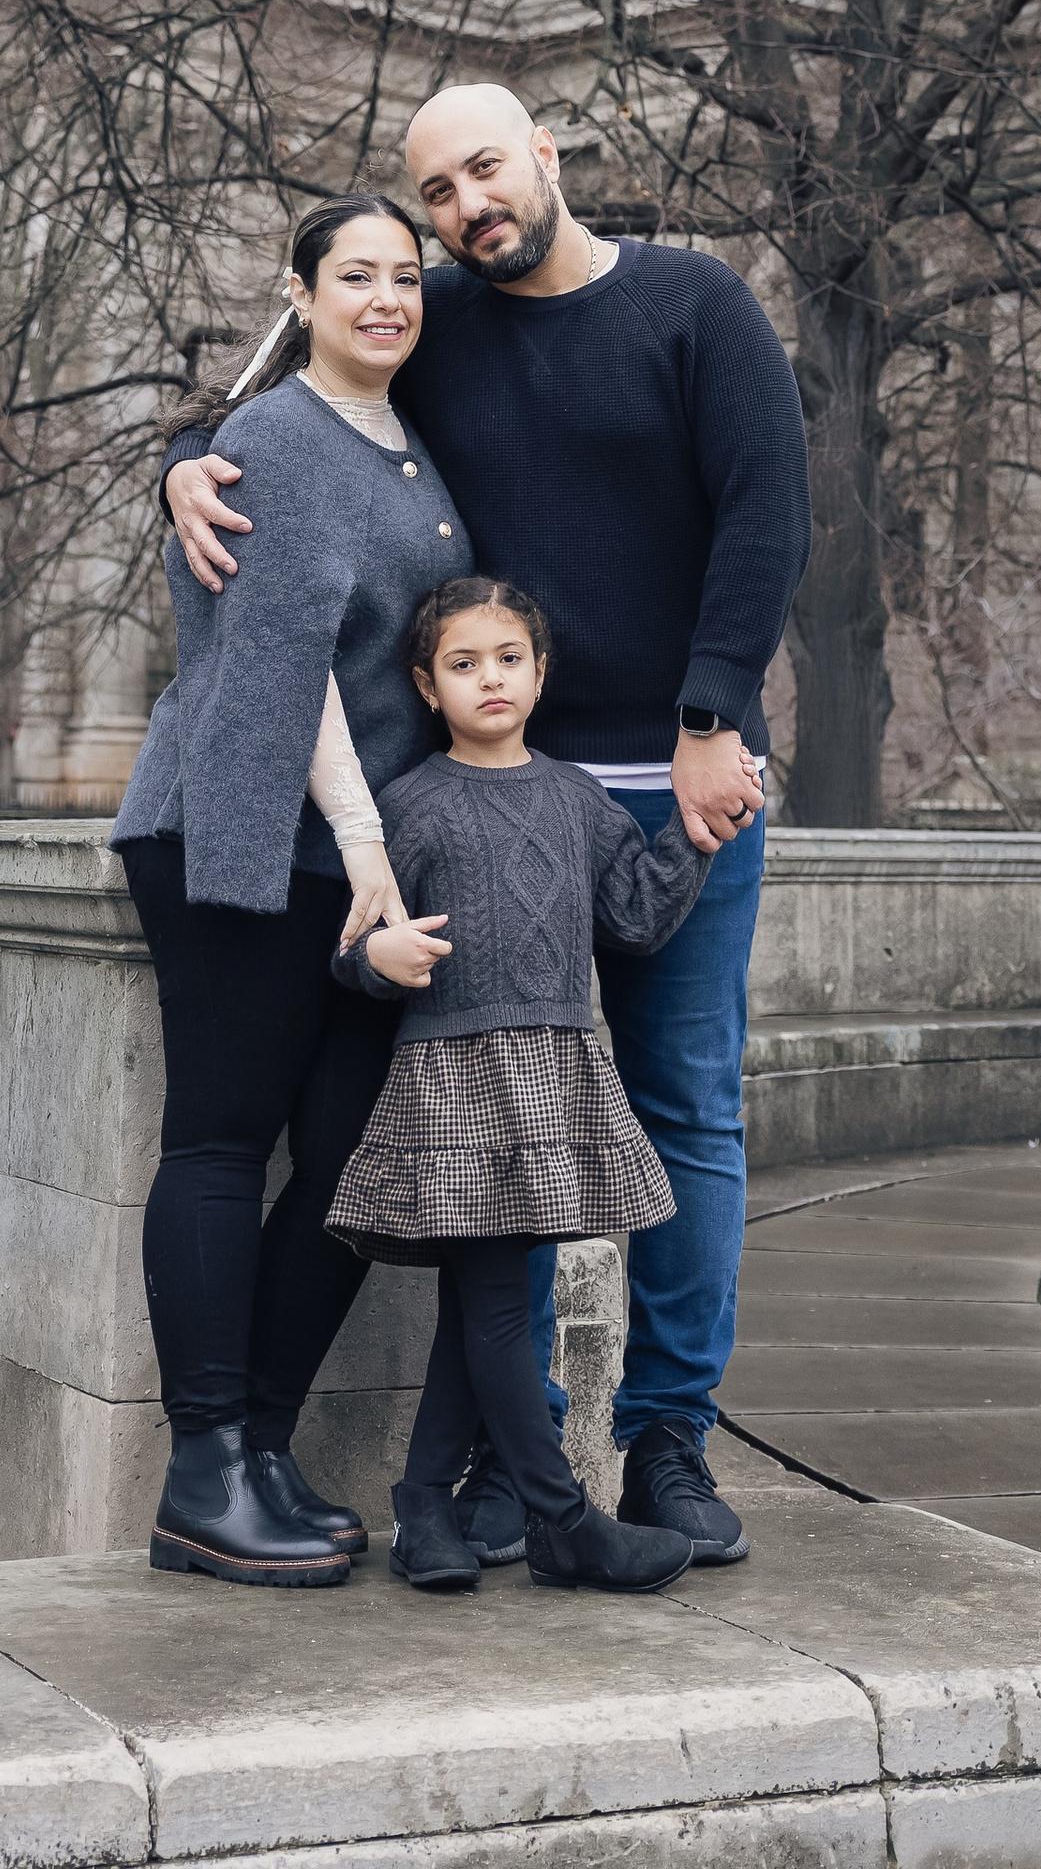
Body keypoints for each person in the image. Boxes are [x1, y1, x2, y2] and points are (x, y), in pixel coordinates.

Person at [166, 81, 808, 1569]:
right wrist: (179, 464)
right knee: (494, 1128)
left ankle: (666, 1447)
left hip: (677, 778)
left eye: (485, 171)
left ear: (549, 156)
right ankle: (483, 1468)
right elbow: (283, 401)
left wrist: (713, 720)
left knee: (687, 1113)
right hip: (485, 796)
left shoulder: (696, 305)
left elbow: (768, 510)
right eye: (439, 191)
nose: (466, 208)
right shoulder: (435, 313)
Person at [114, 191, 478, 1588]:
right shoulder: (272, 436)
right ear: (302, 292)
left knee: (343, 1161)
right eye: (358, 276)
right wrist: (372, 851)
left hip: (344, 844)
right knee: (220, 1137)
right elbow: (287, 669)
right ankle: (203, 1470)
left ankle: (259, 1445)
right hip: (241, 827)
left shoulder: (407, 451)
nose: (388, 297)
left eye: (406, 277)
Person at [331, 580, 707, 1598]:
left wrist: (694, 838)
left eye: (507, 658)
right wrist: (377, 959)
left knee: (478, 1307)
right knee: (497, 1308)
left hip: (553, 1078)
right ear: (425, 685)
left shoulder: (576, 797)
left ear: (540, 673)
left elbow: (632, 918)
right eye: (462, 664)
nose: (488, 678)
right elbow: (353, 947)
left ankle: (421, 1507)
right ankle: (562, 1521)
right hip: (455, 1083)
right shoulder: (408, 804)